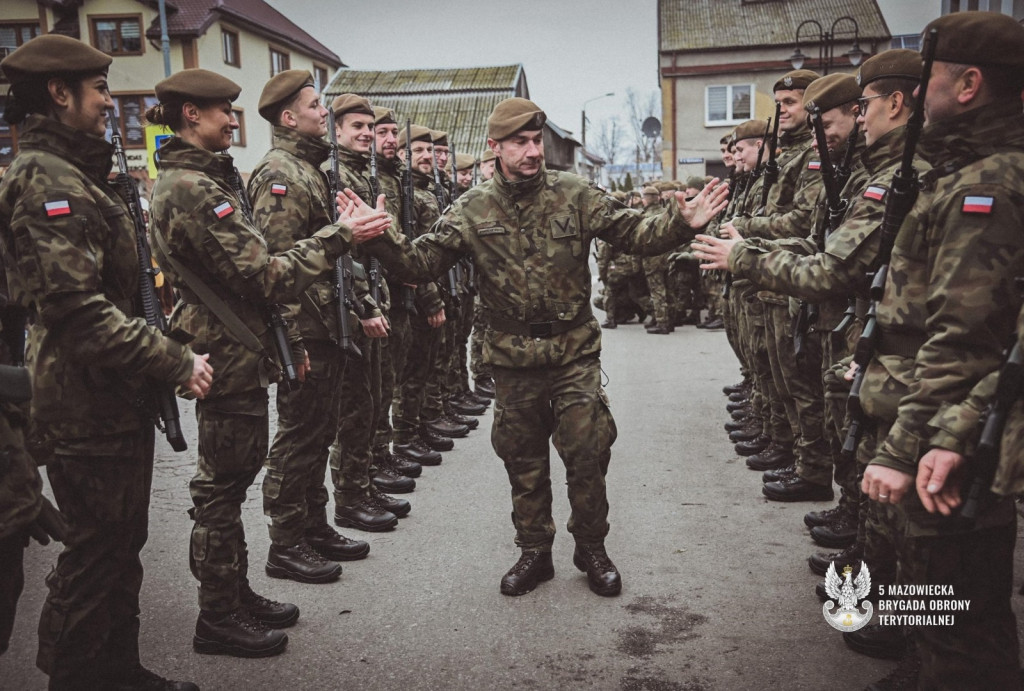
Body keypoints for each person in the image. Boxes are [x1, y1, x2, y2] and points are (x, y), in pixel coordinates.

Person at [358, 97, 728, 597]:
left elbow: (635, 233)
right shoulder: (472, 207)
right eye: (520, 143)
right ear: (495, 148)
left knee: (588, 452)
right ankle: (534, 550)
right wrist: (380, 238)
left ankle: (592, 547)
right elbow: (420, 263)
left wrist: (682, 221)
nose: (532, 151)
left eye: (536, 141)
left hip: (573, 352)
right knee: (523, 459)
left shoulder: (575, 192)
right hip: (512, 357)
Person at [147, 68, 388, 658]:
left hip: (243, 350)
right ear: (190, 116)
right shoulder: (190, 187)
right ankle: (218, 613)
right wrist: (342, 236)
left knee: (234, 480)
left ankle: (234, 592)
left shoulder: (213, 179)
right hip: (222, 356)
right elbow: (267, 273)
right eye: (222, 111)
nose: (234, 121)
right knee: (221, 489)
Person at [0, 35, 213, 690]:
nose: (108, 103)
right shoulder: (45, 180)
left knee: (121, 546)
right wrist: (173, 360)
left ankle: (115, 667)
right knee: (95, 552)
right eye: (99, 89)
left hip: (109, 395)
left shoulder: (80, 173)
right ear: (60, 93)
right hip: (80, 401)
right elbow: (78, 315)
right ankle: (77, 674)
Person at [857, 12, 1024, 688]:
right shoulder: (972, 172)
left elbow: (965, 336)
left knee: (962, 621)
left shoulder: (986, 187)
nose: (919, 95)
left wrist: (906, 449)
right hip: (954, 420)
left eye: (930, 79)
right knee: (948, 604)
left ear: (970, 84)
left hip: (954, 433)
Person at [249, 70, 372, 584]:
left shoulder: (309, 169)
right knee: (298, 438)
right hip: (306, 331)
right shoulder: (280, 175)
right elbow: (277, 271)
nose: (324, 112)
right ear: (288, 117)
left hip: (328, 324)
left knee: (319, 435)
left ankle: (314, 526)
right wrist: (292, 343)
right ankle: (285, 542)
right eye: (315, 105)